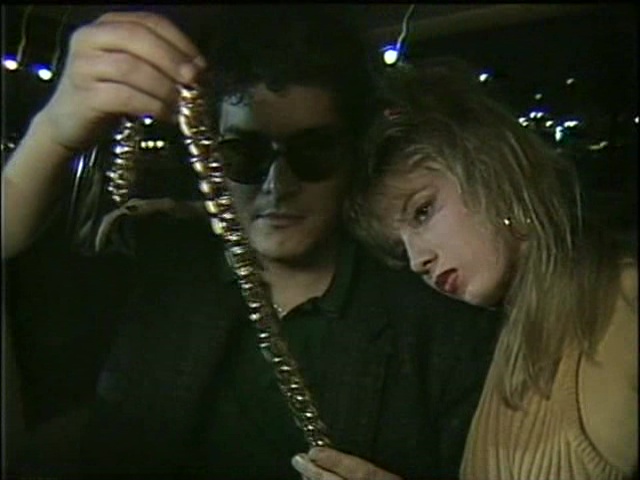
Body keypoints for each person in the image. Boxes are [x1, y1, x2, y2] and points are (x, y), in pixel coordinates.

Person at [2, 7, 500, 479]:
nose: (277, 186)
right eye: (244, 153)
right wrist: (53, 132)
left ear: (353, 153)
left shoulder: (439, 329)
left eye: (314, 151)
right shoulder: (152, 264)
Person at [348, 61, 638, 480]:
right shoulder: (514, 335)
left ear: (490, 169)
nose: (416, 260)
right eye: (399, 246)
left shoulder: (623, 304)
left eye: (422, 212)